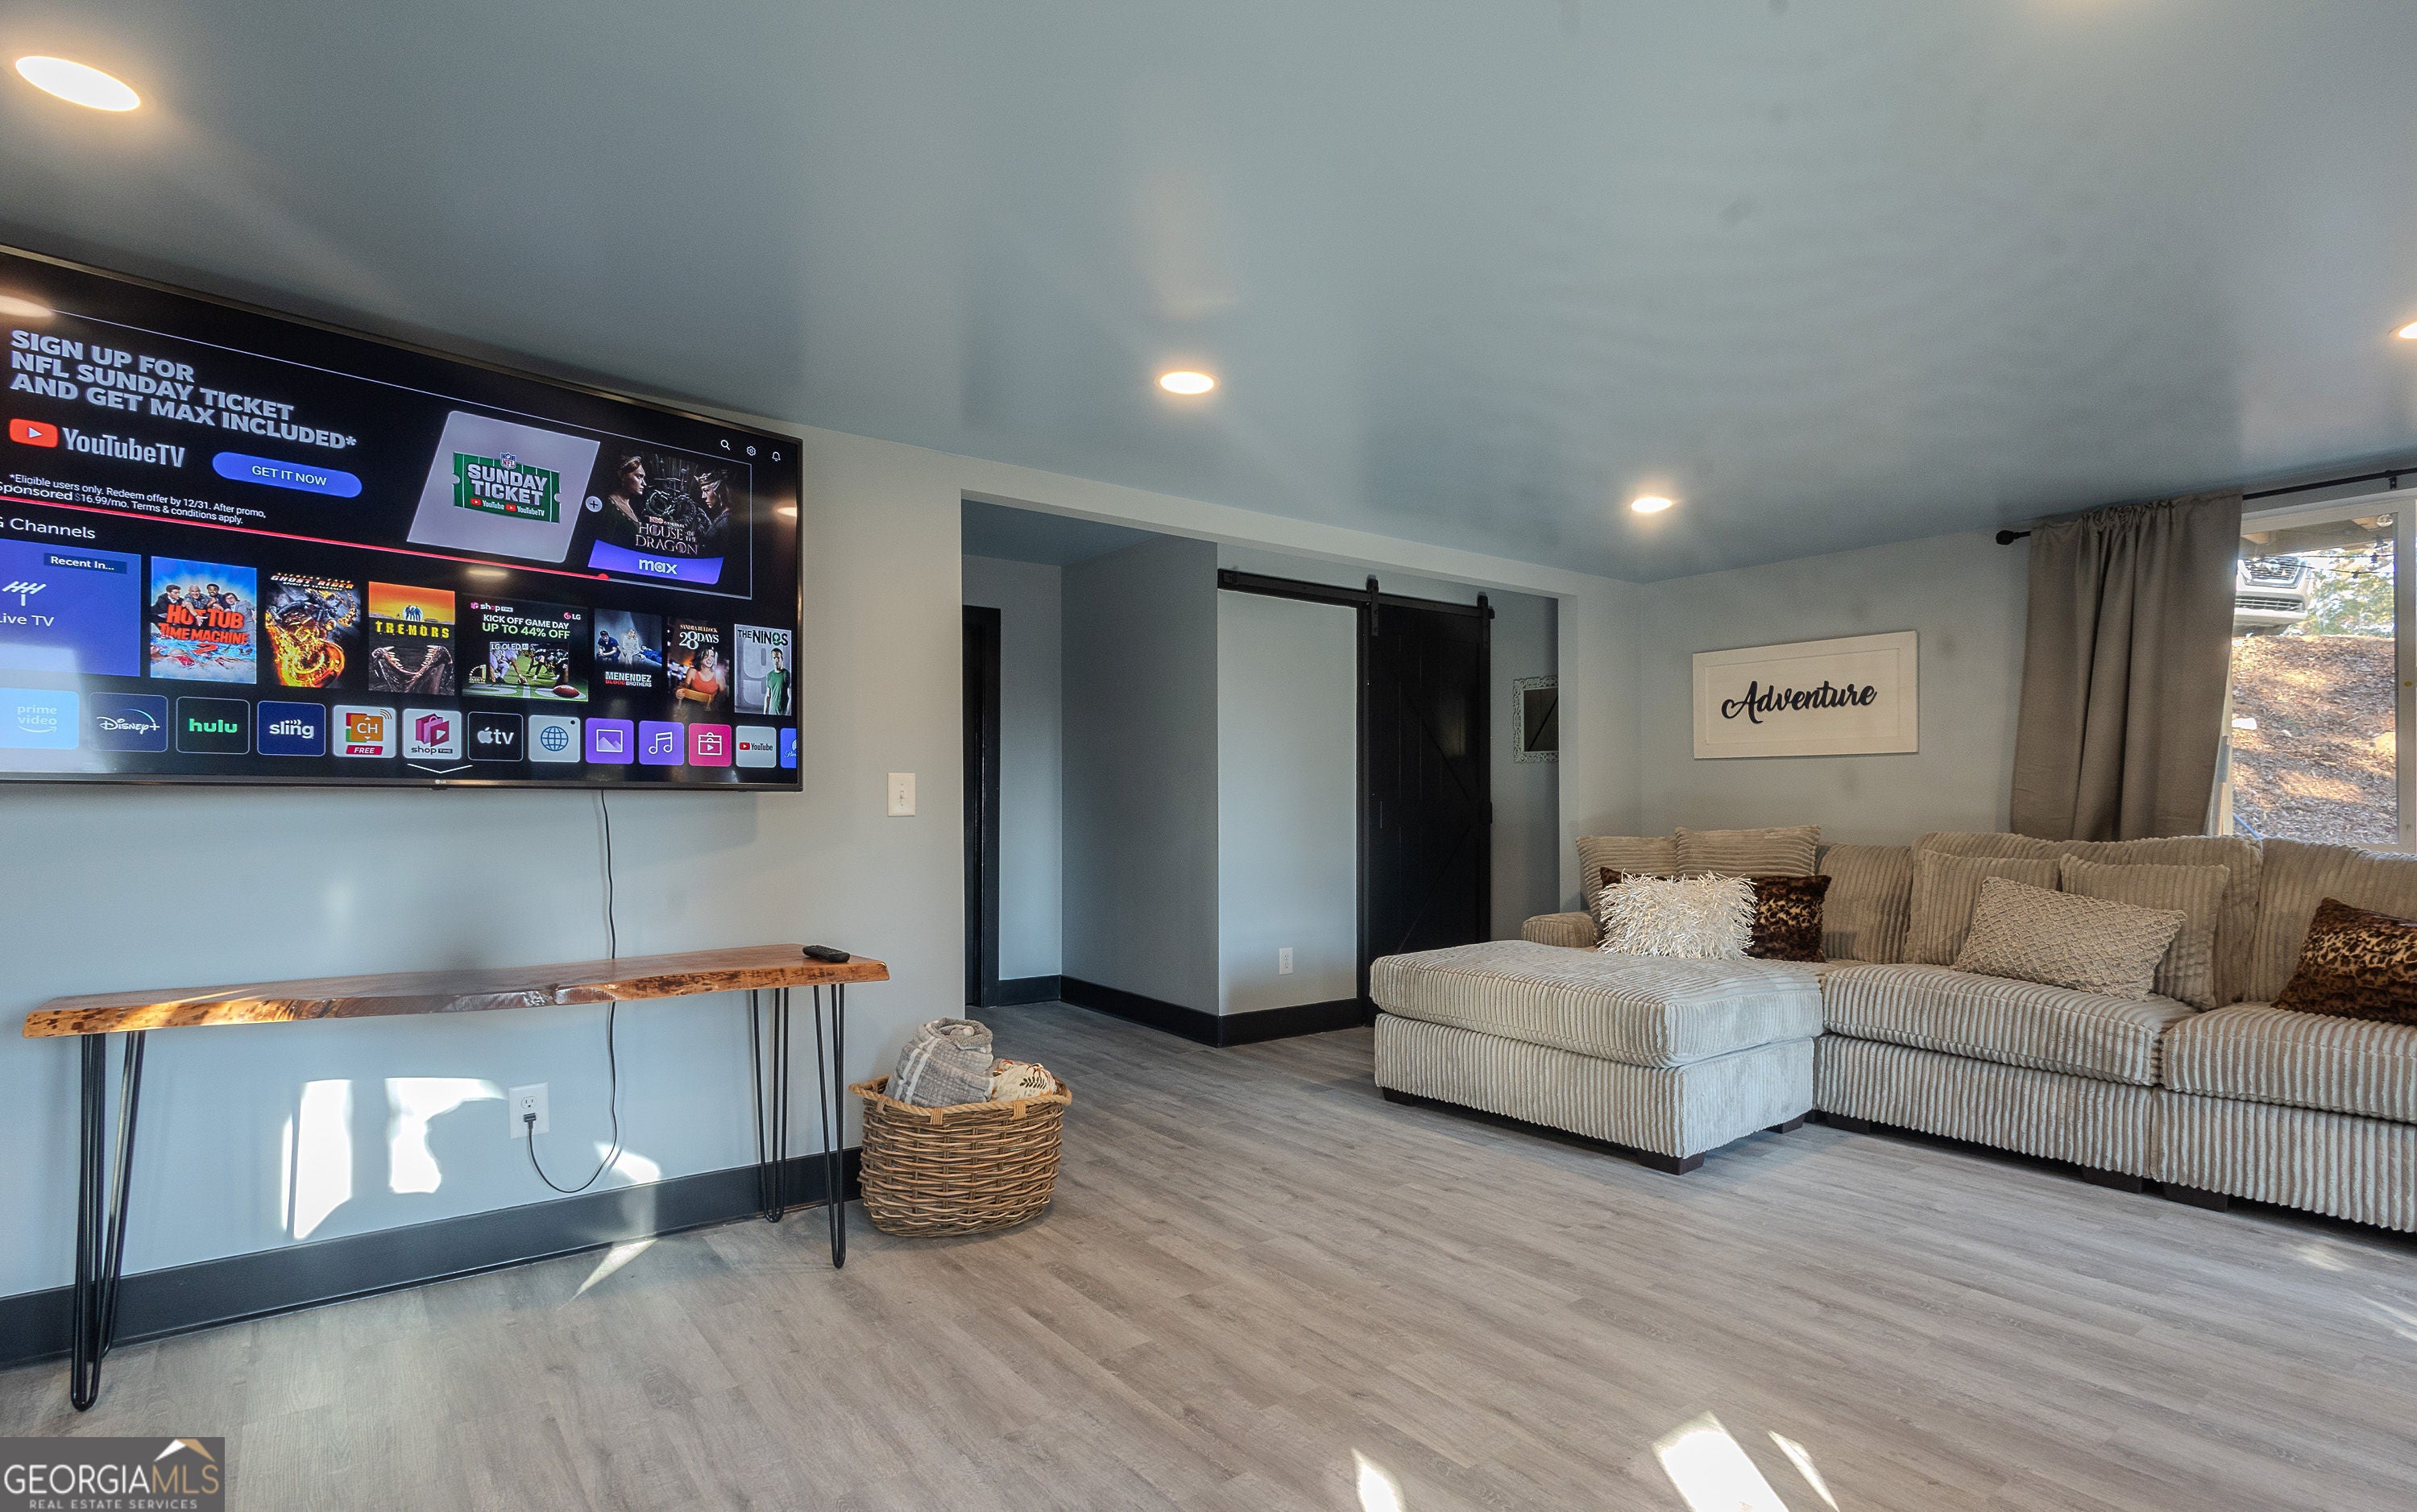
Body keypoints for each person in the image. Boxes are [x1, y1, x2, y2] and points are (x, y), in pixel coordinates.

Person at [761, 647, 790, 715]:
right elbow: (768, 696)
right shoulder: (770, 675)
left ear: (782, 659)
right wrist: (765, 712)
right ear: (772, 659)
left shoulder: (786, 674)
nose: (776, 660)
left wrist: (787, 714)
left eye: (778, 658)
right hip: (772, 713)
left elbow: (790, 697)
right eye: (774, 658)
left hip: (782, 713)